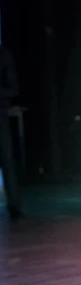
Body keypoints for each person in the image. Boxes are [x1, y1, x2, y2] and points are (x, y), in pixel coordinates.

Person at [0, 44, 22, 219]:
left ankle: (14, 206)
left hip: (1, 116)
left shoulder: (3, 54)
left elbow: (13, 88)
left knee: (8, 162)